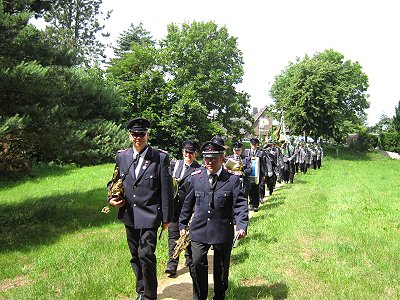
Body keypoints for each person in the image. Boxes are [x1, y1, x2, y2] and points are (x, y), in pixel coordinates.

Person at [107, 118, 174, 300]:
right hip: (129, 214)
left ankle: (149, 295)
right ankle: (141, 290)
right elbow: (114, 182)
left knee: (146, 254)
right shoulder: (122, 156)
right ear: (130, 136)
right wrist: (111, 198)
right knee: (135, 255)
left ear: (148, 135)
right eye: (135, 135)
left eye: (141, 134)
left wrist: (167, 217)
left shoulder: (159, 157)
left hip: (150, 214)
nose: (138, 138)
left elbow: (167, 189)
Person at [179, 138, 248, 300]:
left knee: (221, 266)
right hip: (199, 229)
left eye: (214, 159)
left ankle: (219, 295)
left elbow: (240, 205)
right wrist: (182, 224)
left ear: (222, 159)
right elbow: (188, 203)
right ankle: (200, 295)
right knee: (196, 263)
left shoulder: (232, 180)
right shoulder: (196, 178)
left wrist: (241, 225)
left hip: (222, 229)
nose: (209, 162)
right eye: (206, 159)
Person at [166, 140, 202, 276]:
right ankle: (172, 264)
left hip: (190, 209)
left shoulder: (198, 169)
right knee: (173, 235)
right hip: (174, 208)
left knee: (188, 235)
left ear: (195, 154)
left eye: (191, 153)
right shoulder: (175, 165)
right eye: (186, 152)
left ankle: (189, 258)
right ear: (182, 152)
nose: (188, 155)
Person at [244, 137, 265, 211]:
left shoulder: (260, 153)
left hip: (257, 174)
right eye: (252, 144)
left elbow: (262, 164)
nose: (254, 146)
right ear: (250, 144)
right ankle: (251, 204)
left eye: (255, 144)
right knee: (249, 189)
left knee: (256, 189)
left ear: (257, 145)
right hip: (248, 174)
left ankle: (256, 205)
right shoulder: (246, 152)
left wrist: (263, 175)